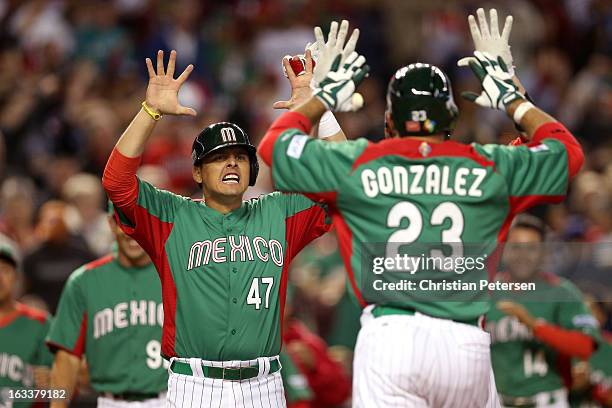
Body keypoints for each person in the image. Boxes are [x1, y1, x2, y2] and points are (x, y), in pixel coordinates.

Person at [258, 8, 584, 408]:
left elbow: (276, 145)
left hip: (391, 336)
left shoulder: (363, 165)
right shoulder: (488, 165)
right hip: (466, 342)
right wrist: (513, 95)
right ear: (452, 116)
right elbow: (564, 149)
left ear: (389, 122)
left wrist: (321, 100)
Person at [102, 21, 357, 407]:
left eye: (240, 157)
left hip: (265, 384)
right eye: (218, 159)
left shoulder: (280, 212)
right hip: (195, 385)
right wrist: (149, 111)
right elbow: (116, 182)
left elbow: (345, 179)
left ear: (252, 170)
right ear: (198, 172)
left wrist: (318, 108)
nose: (231, 164)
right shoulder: (171, 217)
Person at [46, 203, 168, 408]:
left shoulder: (177, 276)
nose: (133, 232)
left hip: (169, 399)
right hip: (110, 402)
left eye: (141, 222)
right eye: (124, 222)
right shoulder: (84, 281)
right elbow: (67, 357)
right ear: (111, 224)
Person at [487, 215, 599, 407]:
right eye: (515, 247)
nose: (522, 255)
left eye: (531, 248)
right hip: (496, 401)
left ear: (543, 253)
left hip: (547, 399)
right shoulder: (486, 291)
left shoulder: (561, 292)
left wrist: (534, 326)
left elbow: (586, 346)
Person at [0, 244, 53, 408]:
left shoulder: (40, 323)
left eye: (4, 270)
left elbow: (63, 392)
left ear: (16, 277)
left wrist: (50, 385)